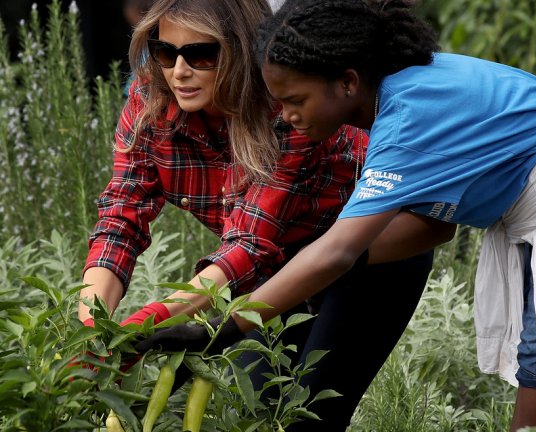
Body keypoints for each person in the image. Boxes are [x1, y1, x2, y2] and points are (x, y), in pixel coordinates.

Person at [136, 0, 536, 430]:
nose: (285, 117)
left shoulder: (407, 114)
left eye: (294, 101)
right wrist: (309, 271)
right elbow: (430, 227)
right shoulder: (404, 96)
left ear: (346, 80)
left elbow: (342, 248)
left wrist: (232, 324)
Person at [79, 0, 443, 429]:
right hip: (279, 265)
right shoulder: (150, 103)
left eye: (201, 54)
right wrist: (92, 329)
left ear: (239, 50)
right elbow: (122, 217)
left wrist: (141, 328)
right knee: (254, 407)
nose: (179, 70)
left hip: (366, 258)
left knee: (308, 415)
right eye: (164, 52)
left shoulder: (287, 109)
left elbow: (249, 246)